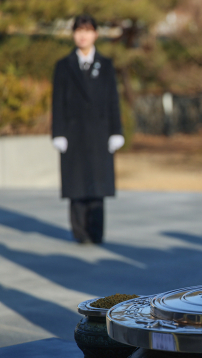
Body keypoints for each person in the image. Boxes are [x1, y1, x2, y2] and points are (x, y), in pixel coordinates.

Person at [51, 14, 124, 245]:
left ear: (95, 34)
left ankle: (96, 231)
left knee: (97, 183)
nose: (82, 35)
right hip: (73, 132)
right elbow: (57, 102)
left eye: (87, 30)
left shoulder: (106, 65)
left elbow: (113, 100)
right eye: (78, 30)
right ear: (73, 34)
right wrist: (58, 132)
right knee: (76, 183)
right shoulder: (63, 66)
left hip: (99, 132)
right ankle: (79, 232)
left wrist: (116, 131)